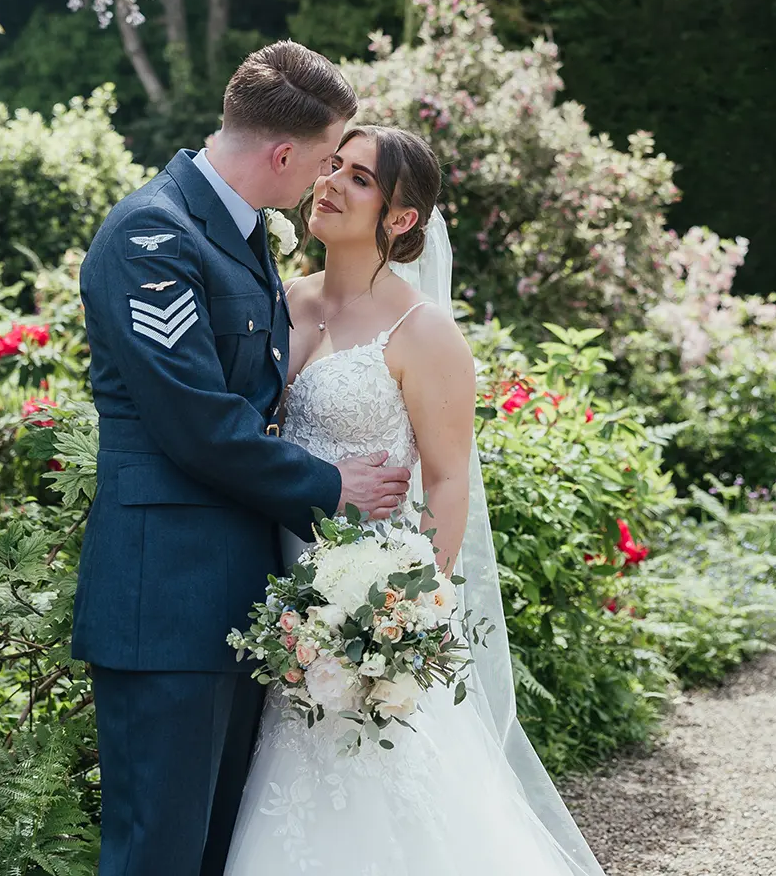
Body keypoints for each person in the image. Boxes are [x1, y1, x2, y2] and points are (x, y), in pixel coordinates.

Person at [222, 125, 607, 876]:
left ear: (401, 219)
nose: (330, 182)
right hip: (270, 596)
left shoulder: (423, 331)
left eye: (360, 178)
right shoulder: (281, 300)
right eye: (333, 164)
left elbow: (449, 479)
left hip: (362, 608)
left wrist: (405, 615)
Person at [73, 42, 415, 876]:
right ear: (284, 154)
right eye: (327, 159)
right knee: (156, 853)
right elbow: (197, 421)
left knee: (212, 853)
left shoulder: (238, 231)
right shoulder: (153, 235)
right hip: (166, 597)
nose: (325, 178)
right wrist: (331, 486)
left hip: (233, 596)